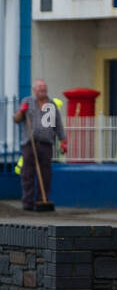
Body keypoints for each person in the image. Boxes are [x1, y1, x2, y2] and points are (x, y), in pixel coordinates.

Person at [12, 81, 66, 211]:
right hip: (29, 143)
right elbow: (16, 119)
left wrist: (63, 140)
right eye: (40, 88)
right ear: (34, 90)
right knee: (28, 174)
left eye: (44, 88)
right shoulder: (27, 101)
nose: (42, 90)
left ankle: (42, 200)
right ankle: (28, 203)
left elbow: (57, 124)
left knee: (46, 174)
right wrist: (21, 110)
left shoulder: (51, 105)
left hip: (46, 144)